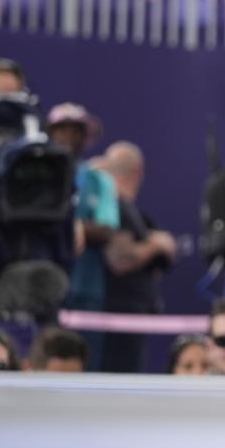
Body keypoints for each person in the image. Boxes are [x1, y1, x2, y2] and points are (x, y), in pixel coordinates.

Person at [50, 102, 117, 371]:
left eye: (75, 130)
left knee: (88, 360)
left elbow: (107, 228)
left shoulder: (99, 180)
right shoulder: (33, 173)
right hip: (45, 287)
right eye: (60, 130)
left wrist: (75, 226)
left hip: (86, 287)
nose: (68, 136)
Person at [100, 142, 176, 373]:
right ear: (138, 172)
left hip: (129, 315)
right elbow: (120, 259)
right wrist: (156, 245)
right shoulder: (115, 206)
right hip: (118, 317)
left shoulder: (125, 208)